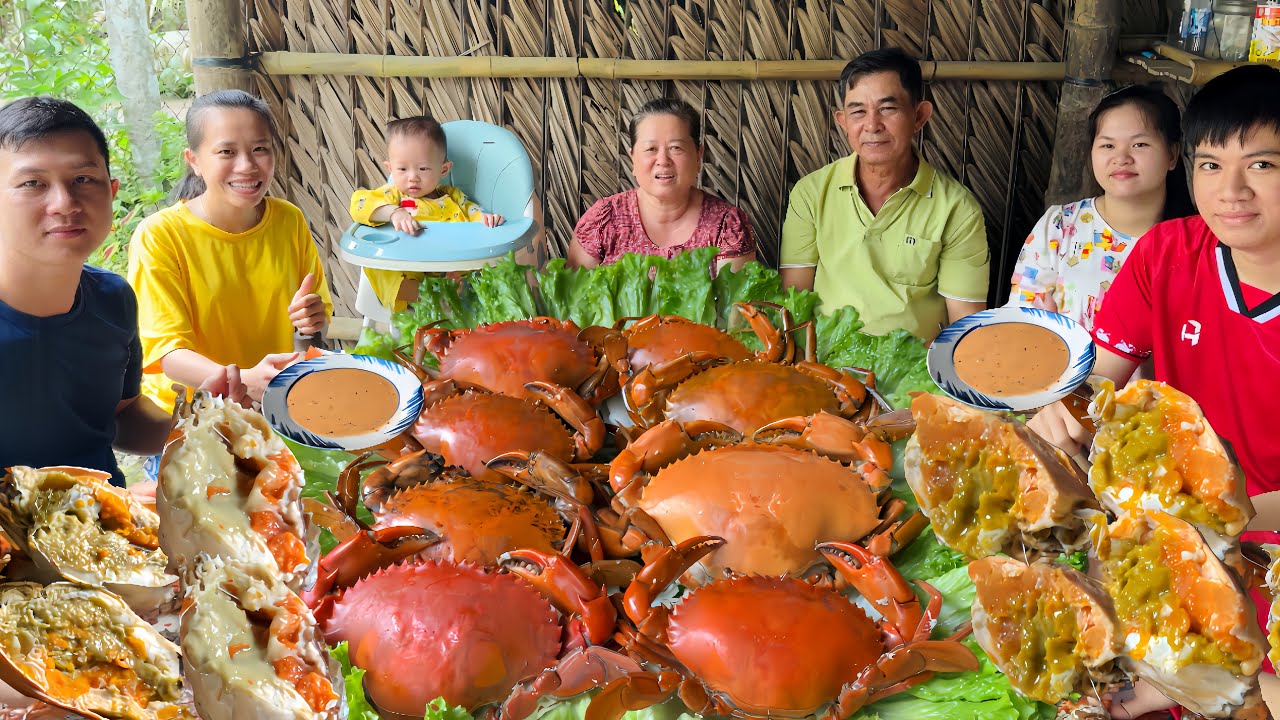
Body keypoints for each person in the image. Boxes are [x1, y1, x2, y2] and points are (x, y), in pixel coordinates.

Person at [1028, 65, 1280, 718]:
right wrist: (1065, 408)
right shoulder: (1167, 253)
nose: (1231, 192)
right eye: (1209, 164)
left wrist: (1226, 525)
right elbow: (1099, 383)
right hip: (1171, 550)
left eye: (1262, 166)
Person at [0, 97, 242, 487]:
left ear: (111, 191)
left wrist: (202, 428)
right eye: (33, 184)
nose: (64, 204)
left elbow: (120, 417)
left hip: (108, 528)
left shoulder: (112, 300)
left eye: (83, 180)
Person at [127, 89, 333, 419]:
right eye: (226, 151)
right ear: (194, 160)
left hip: (272, 405)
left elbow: (315, 314)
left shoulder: (288, 219)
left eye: (260, 149)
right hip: (192, 417)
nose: (247, 166)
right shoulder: (160, 235)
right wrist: (244, 379)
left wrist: (312, 316)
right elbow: (167, 352)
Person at [780, 48, 990, 341]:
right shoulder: (812, 193)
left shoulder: (957, 208)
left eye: (888, 108)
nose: (871, 125)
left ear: (919, 116)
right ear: (843, 122)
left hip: (913, 375)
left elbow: (965, 324)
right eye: (857, 112)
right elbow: (794, 303)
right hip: (826, 370)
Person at [1008, 85, 1194, 330]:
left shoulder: (1196, 244)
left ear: (1172, 154)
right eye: (1108, 145)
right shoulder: (1060, 226)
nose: (1121, 158)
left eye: (1140, 145)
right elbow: (1019, 324)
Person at [567, 97, 756, 274]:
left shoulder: (727, 226)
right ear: (633, 158)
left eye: (676, 148)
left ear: (698, 156)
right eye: (651, 149)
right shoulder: (603, 222)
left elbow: (735, 305)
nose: (663, 160)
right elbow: (574, 302)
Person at [350, 115, 506, 310]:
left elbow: (475, 215)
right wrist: (393, 213)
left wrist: (487, 220)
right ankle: (427, 298)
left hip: (451, 269)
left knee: (491, 267)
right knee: (378, 264)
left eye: (423, 168)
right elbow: (359, 203)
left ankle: (449, 294)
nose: (413, 177)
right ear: (390, 169)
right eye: (402, 169)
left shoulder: (454, 198)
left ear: (443, 170)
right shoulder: (393, 196)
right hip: (410, 269)